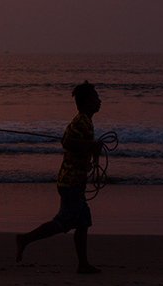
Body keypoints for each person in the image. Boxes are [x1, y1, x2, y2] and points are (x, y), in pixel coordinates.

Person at [16, 81, 103, 274]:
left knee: (83, 222)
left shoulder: (85, 121)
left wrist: (92, 151)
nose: (99, 101)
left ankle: (83, 264)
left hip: (74, 181)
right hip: (70, 182)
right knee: (63, 223)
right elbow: (69, 143)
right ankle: (25, 239)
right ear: (87, 102)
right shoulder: (81, 121)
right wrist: (91, 146)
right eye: (96, 98)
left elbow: (78, 145)